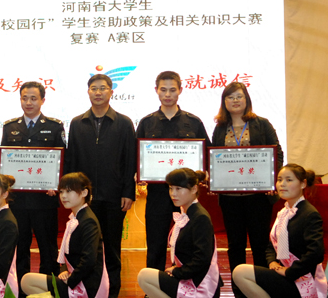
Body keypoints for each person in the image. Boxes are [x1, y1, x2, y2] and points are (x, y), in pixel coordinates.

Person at [65, 74, 136, 298]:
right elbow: (72, 160)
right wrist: (72, 193)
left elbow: (130, 161)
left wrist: (128, 192)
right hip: (85, 199)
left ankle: (112, 292)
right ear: (88, 92)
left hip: (114, 196)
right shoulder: (77, 123)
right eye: (94, 88)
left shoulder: (124, 123)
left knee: (112, 248)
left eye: (103, 88)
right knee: (85, 249)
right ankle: (87, 290)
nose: (98, 92)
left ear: (111, 92)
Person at [211, 82, 284, 298]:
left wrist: (272, 181)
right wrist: (214, 178)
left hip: (258, 197)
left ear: (246, 99)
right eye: (230, 97)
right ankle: (239, 291)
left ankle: (261, 288)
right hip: (230, 198)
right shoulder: (220, 128)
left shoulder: (262, 124)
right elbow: (213, 157)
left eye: (239, 96)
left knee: (260, 244)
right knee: (235, 245)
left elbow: (277, 153)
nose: (235, 100)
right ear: (224, 101)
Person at [136, 71, 210, 272]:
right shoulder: (146, 123)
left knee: (188, 242)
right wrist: (138, 172)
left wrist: (205, 172)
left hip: (186, 194)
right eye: (163, 90)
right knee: (156, 243)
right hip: (158, 193)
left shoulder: (193, 122)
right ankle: (154, 283)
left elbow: (207, 152)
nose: (167, 94)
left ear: (180, 90)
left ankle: (186, 281)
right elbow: (136, 154)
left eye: (172, 90)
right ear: (156, 90)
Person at [0, 81, 64, 289]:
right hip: (18, 201)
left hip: (45, 200)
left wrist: (56, 183)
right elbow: (5, 162)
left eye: (33, 98)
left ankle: (49, 289)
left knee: (48, 248)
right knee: (19, 247)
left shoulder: (54, 127)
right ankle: (21, 289)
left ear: (42, 100)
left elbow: (63, 160)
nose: (28, 102)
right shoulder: (10, 127)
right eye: (24, 98)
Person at [232, 164, 326, 298]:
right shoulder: (284, 212)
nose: (282, 184)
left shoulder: (309, 214)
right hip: (284, 273)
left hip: (301, 279)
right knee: (239, 273)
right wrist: (272, 262)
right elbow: (271, 245)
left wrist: (289, 272)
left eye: (289, 180)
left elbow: (316, 253)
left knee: (240, 272)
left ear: (303, 184)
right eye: (279, 180)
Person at [21, 172, 109, 298]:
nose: (63, 196)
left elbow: (89, 260)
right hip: (76, 279)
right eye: (61, 192)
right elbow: (69, 255)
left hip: (86, 286)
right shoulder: (76, 217)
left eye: (69, 191)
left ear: (84, 193)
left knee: (29, 282)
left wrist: (70, 280)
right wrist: (65, 272)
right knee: (27, 281)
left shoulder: (88, 220)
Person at [137, 168, 222, 298]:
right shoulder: (186, 213)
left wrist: (177, 272)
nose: (173, 194)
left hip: (199, 283)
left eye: (178, 189)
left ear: (194, 189)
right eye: (171, 189)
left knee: (145, 276)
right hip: (188, 276)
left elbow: (202, 259)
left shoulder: (200, 217)